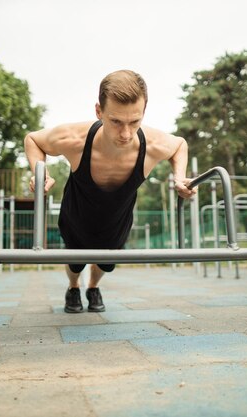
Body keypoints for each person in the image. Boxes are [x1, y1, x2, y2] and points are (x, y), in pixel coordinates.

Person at [24, 69, 197, 313]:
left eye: (134, 122)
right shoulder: (74, 139)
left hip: (117, 214)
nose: (126, 134)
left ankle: (92, 287)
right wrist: (40, 172)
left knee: (106, 262)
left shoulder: (154, 144)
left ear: (143, 112)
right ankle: (73, 287)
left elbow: (180, 145)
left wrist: (179, 178)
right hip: (77, 209)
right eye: (116, 121)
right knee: (75, 261)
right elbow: (33, 140)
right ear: (99, 111)